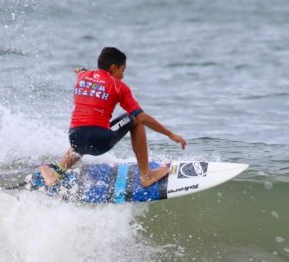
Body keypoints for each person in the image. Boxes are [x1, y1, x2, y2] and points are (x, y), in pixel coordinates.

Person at [40, 47, 186, 187]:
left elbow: (80, 70)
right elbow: (142, 117)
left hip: (74, 138)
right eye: (123, 70)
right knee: (134, 120)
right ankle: (146, 176)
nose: (122, 76)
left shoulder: (83, 77)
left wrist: (80, 70)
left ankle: (57, 172)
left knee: (82, 137)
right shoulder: (119, 86)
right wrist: (170, 134)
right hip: (100, 141)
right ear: (114, 68)